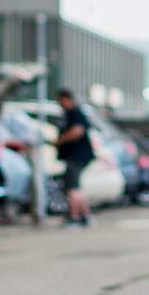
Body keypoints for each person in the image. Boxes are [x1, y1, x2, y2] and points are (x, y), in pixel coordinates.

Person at [53, 87, 94, 226]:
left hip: (76, 156)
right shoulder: (71, 113)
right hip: (76, 156)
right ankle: (85, 215)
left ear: (66, 99)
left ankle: (74, 216)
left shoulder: (74, 113)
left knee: (72, 188)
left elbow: (78, 131)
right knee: (76, 188)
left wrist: (61, 140)